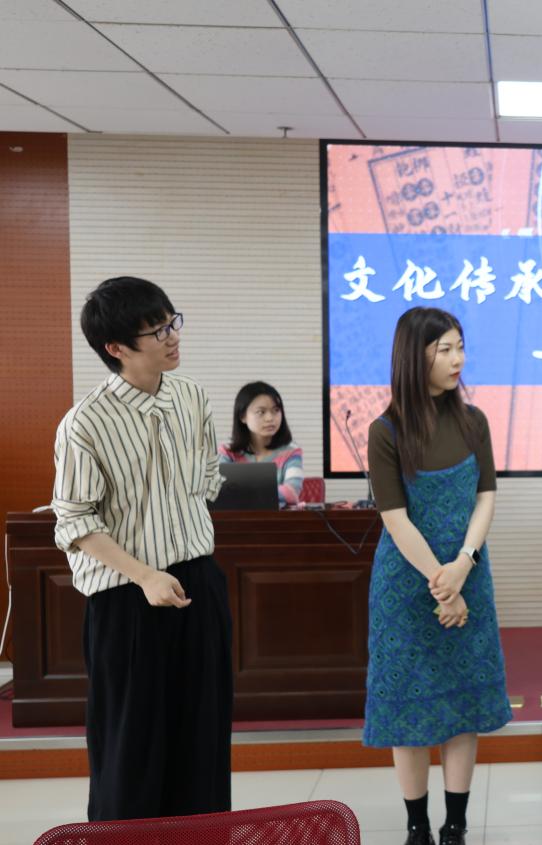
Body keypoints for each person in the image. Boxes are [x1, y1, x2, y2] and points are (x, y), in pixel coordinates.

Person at [51, 277, 231, 820]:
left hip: (197, 583)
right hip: (127, 599)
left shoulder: (192, 396)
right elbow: (75, 520)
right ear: (116, 347)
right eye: (156, 331)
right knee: (132, 747)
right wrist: (146, 574)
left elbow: (207, 479)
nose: (172, 337)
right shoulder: (85, 423)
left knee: (202, 738)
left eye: (172, 322)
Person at [363, 306, 512, 845]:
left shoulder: (474, 422)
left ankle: (455, 825)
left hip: (468, 574)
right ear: (414, 355)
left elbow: (486, 497)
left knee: (462, 704)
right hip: (406, 587)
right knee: (407, 710)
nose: (458, 359)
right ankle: (416, 828)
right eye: (444, 349)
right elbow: (395, 518)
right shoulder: (385, 430)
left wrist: (463, 565)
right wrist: (440, 582)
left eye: (460, 347)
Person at [218, 381, 304, 505]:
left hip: (276, 517)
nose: (270, 418)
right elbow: (218, 490)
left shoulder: (292, 452)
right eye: (261, 412)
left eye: (276, 410)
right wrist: (266, 493)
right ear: (242, 416)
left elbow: (291, 492)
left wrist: (240, 491)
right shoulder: (227, 452)